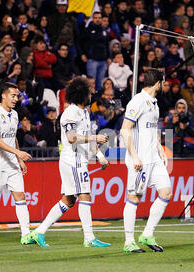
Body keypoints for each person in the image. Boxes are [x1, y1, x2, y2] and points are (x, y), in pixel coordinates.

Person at [29, 76, 111, 248]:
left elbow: (87, 139)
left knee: (69, 200)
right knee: (85, 195)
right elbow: (72, 137)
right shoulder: (70, 113)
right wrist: (94, 137)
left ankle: (39, 232)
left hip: (78, 159)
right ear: (82, 94)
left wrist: (100, 157)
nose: (91, 94)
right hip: (73, 159)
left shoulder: (84, 113)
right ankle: (89, 238)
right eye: (89, 91)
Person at [120, 69, 172, 253]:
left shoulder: (154, 103)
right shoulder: (138, 101)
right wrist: (134, 155)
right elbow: (125, 129)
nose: (164, 85)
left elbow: (152, 130)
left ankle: (147, 234)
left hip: (154, 158)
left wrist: (160, 149)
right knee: (134, 198)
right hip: (139, 159)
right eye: (163, 82)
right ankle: (128, 242)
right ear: (158, 83)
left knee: (165, 192)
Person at [0, 82, 33, 245]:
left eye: (17, 96)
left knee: (20, 196)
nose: (16, 99)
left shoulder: (15, 114)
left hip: (11, 163)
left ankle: (26, 234)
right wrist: (18, 153)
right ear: (3, 95)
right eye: (13, 95)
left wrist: (18, 160)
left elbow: (13, 138)